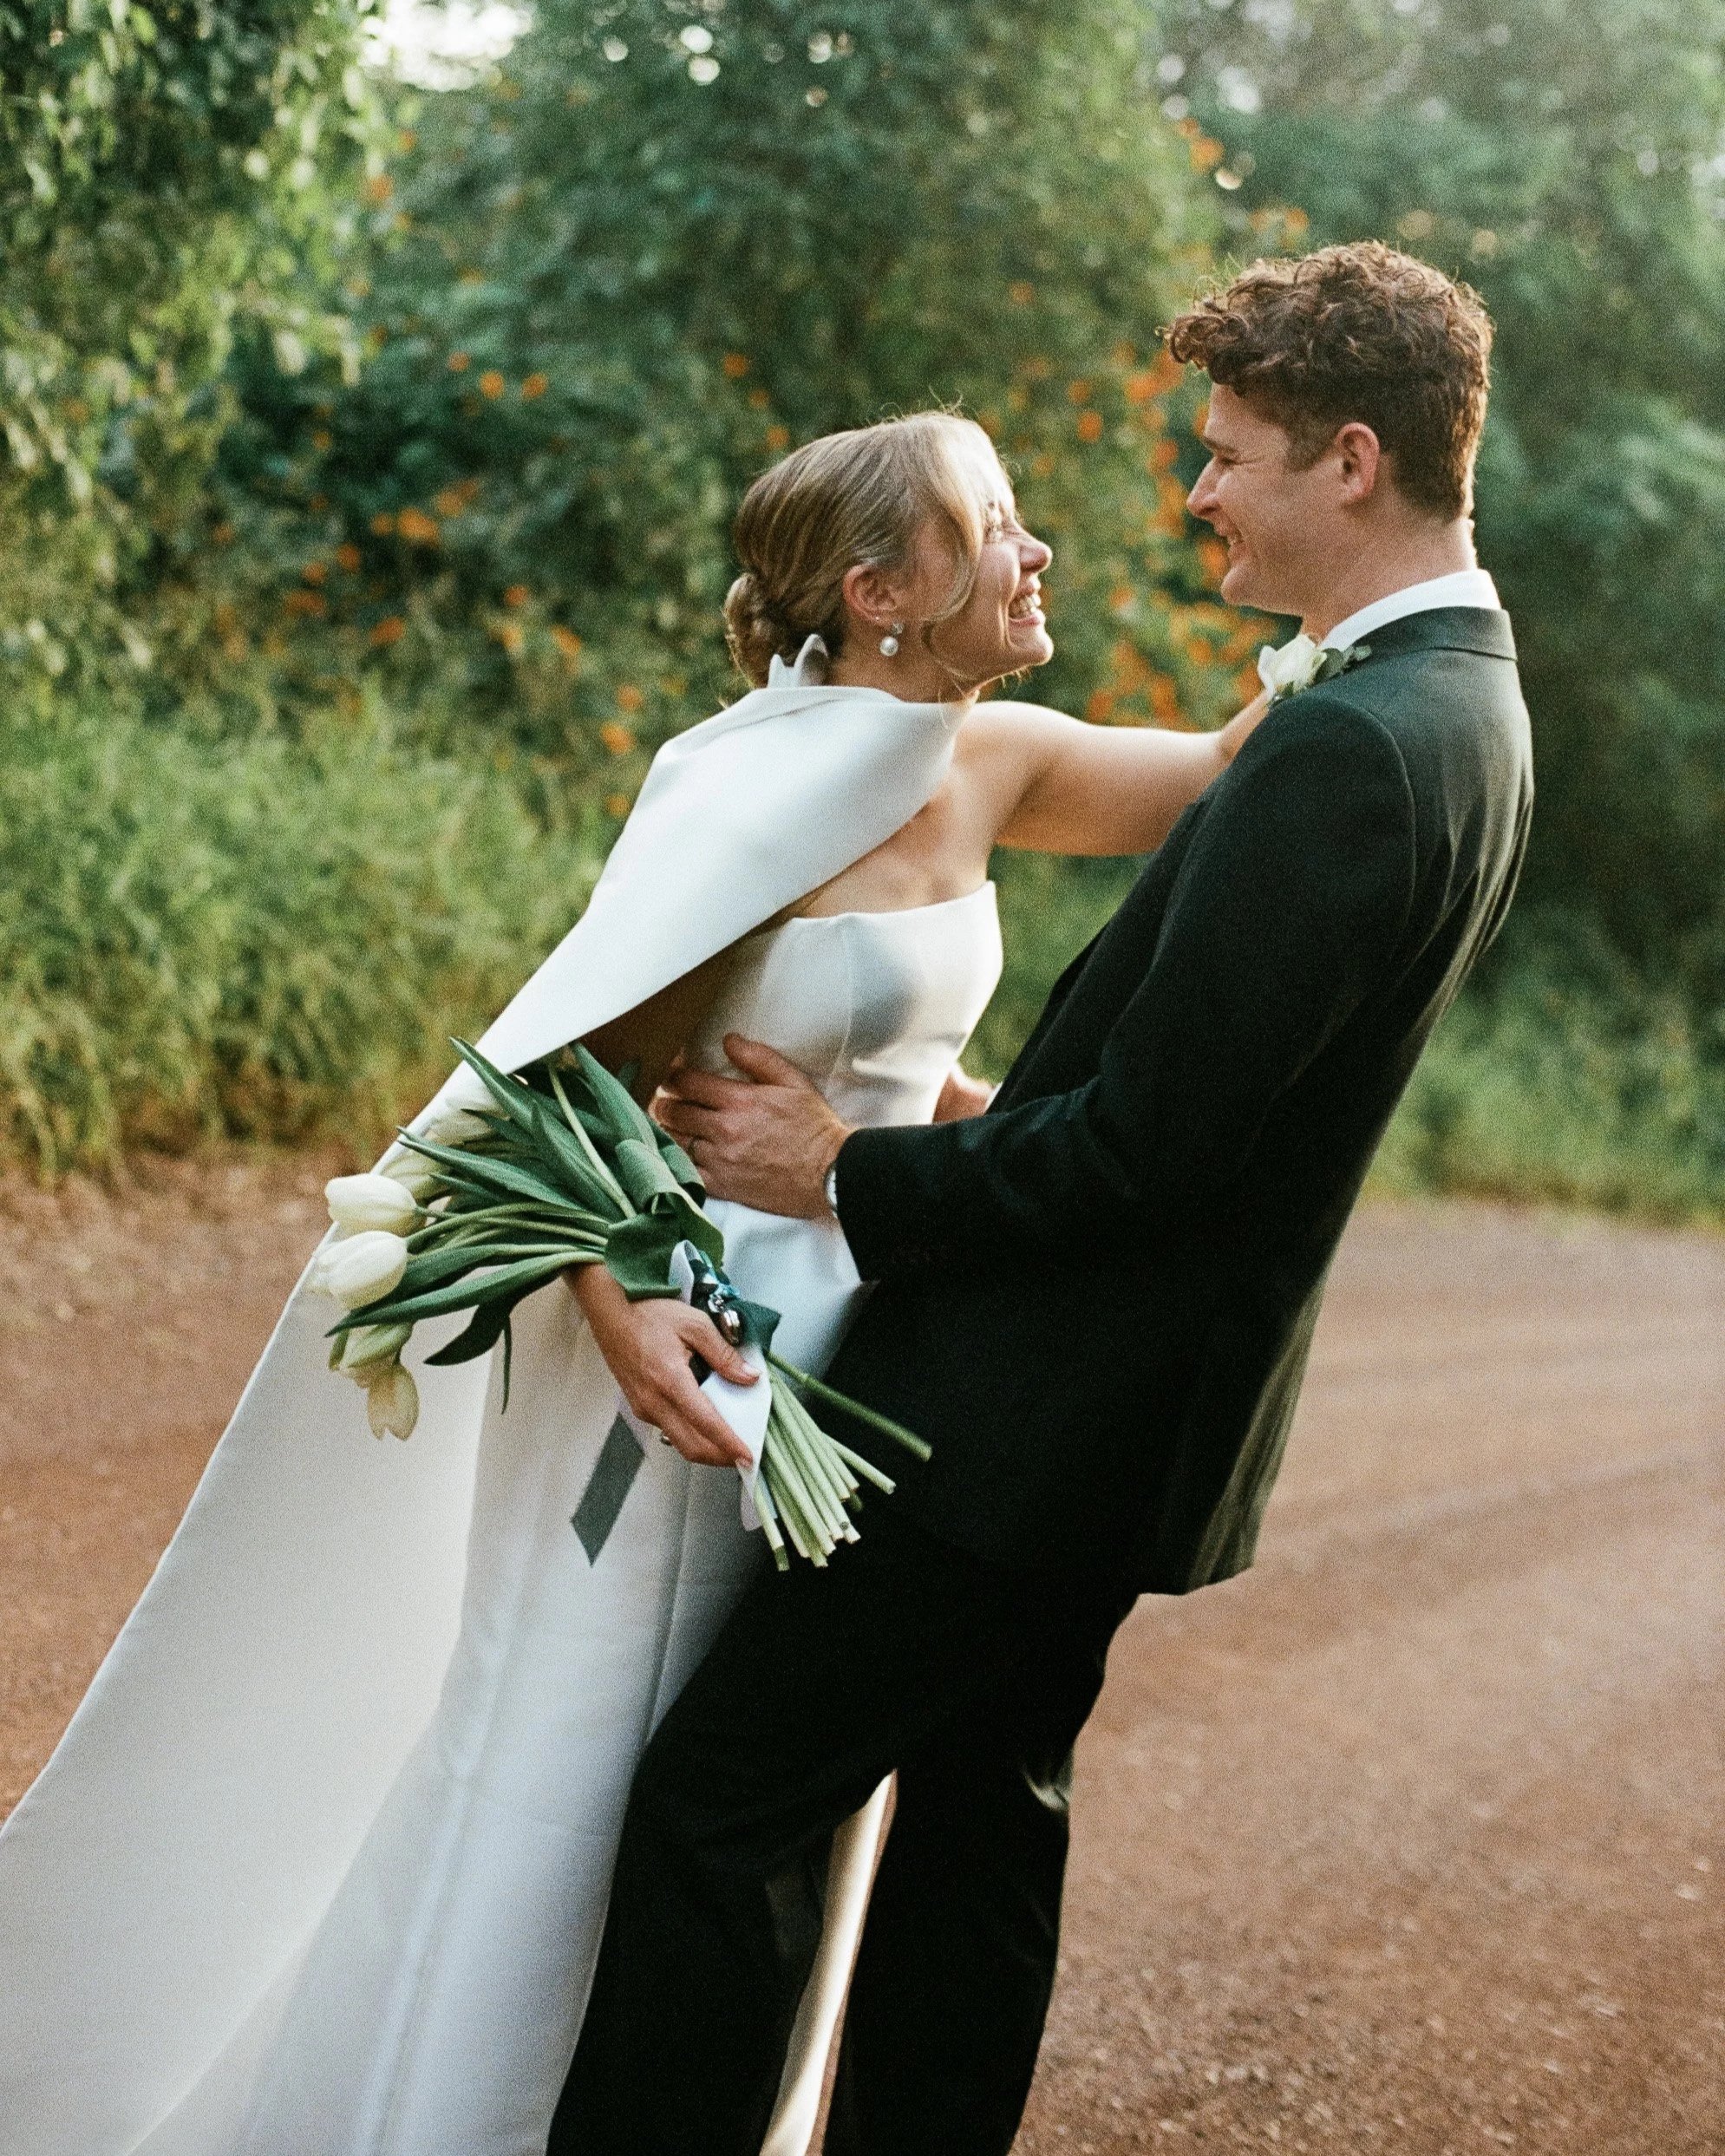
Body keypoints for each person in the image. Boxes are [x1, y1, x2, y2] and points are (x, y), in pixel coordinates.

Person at [0, 411, 1266, 2156]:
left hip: (858, 1343)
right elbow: (567, 1082)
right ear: (879, 589)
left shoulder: (995, 756)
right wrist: (622, 1306)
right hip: (686, 1343)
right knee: (588, 1770)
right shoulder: (753, 779)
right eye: (992, 523)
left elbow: (1229, 774)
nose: (1037, 549)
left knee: (744, 1803)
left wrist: (1380, 579)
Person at [547, 241, 1536, 2156]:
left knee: (718, 1810)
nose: (1192, 490)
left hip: (1022, 1408)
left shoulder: (1355, 741)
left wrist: (844, 1163)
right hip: (1124, 1407)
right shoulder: (1455, 708)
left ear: (1348, 461)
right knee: (976, 1844)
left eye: (1228, 452)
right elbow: (1195, 1100)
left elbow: (1143, 1155)